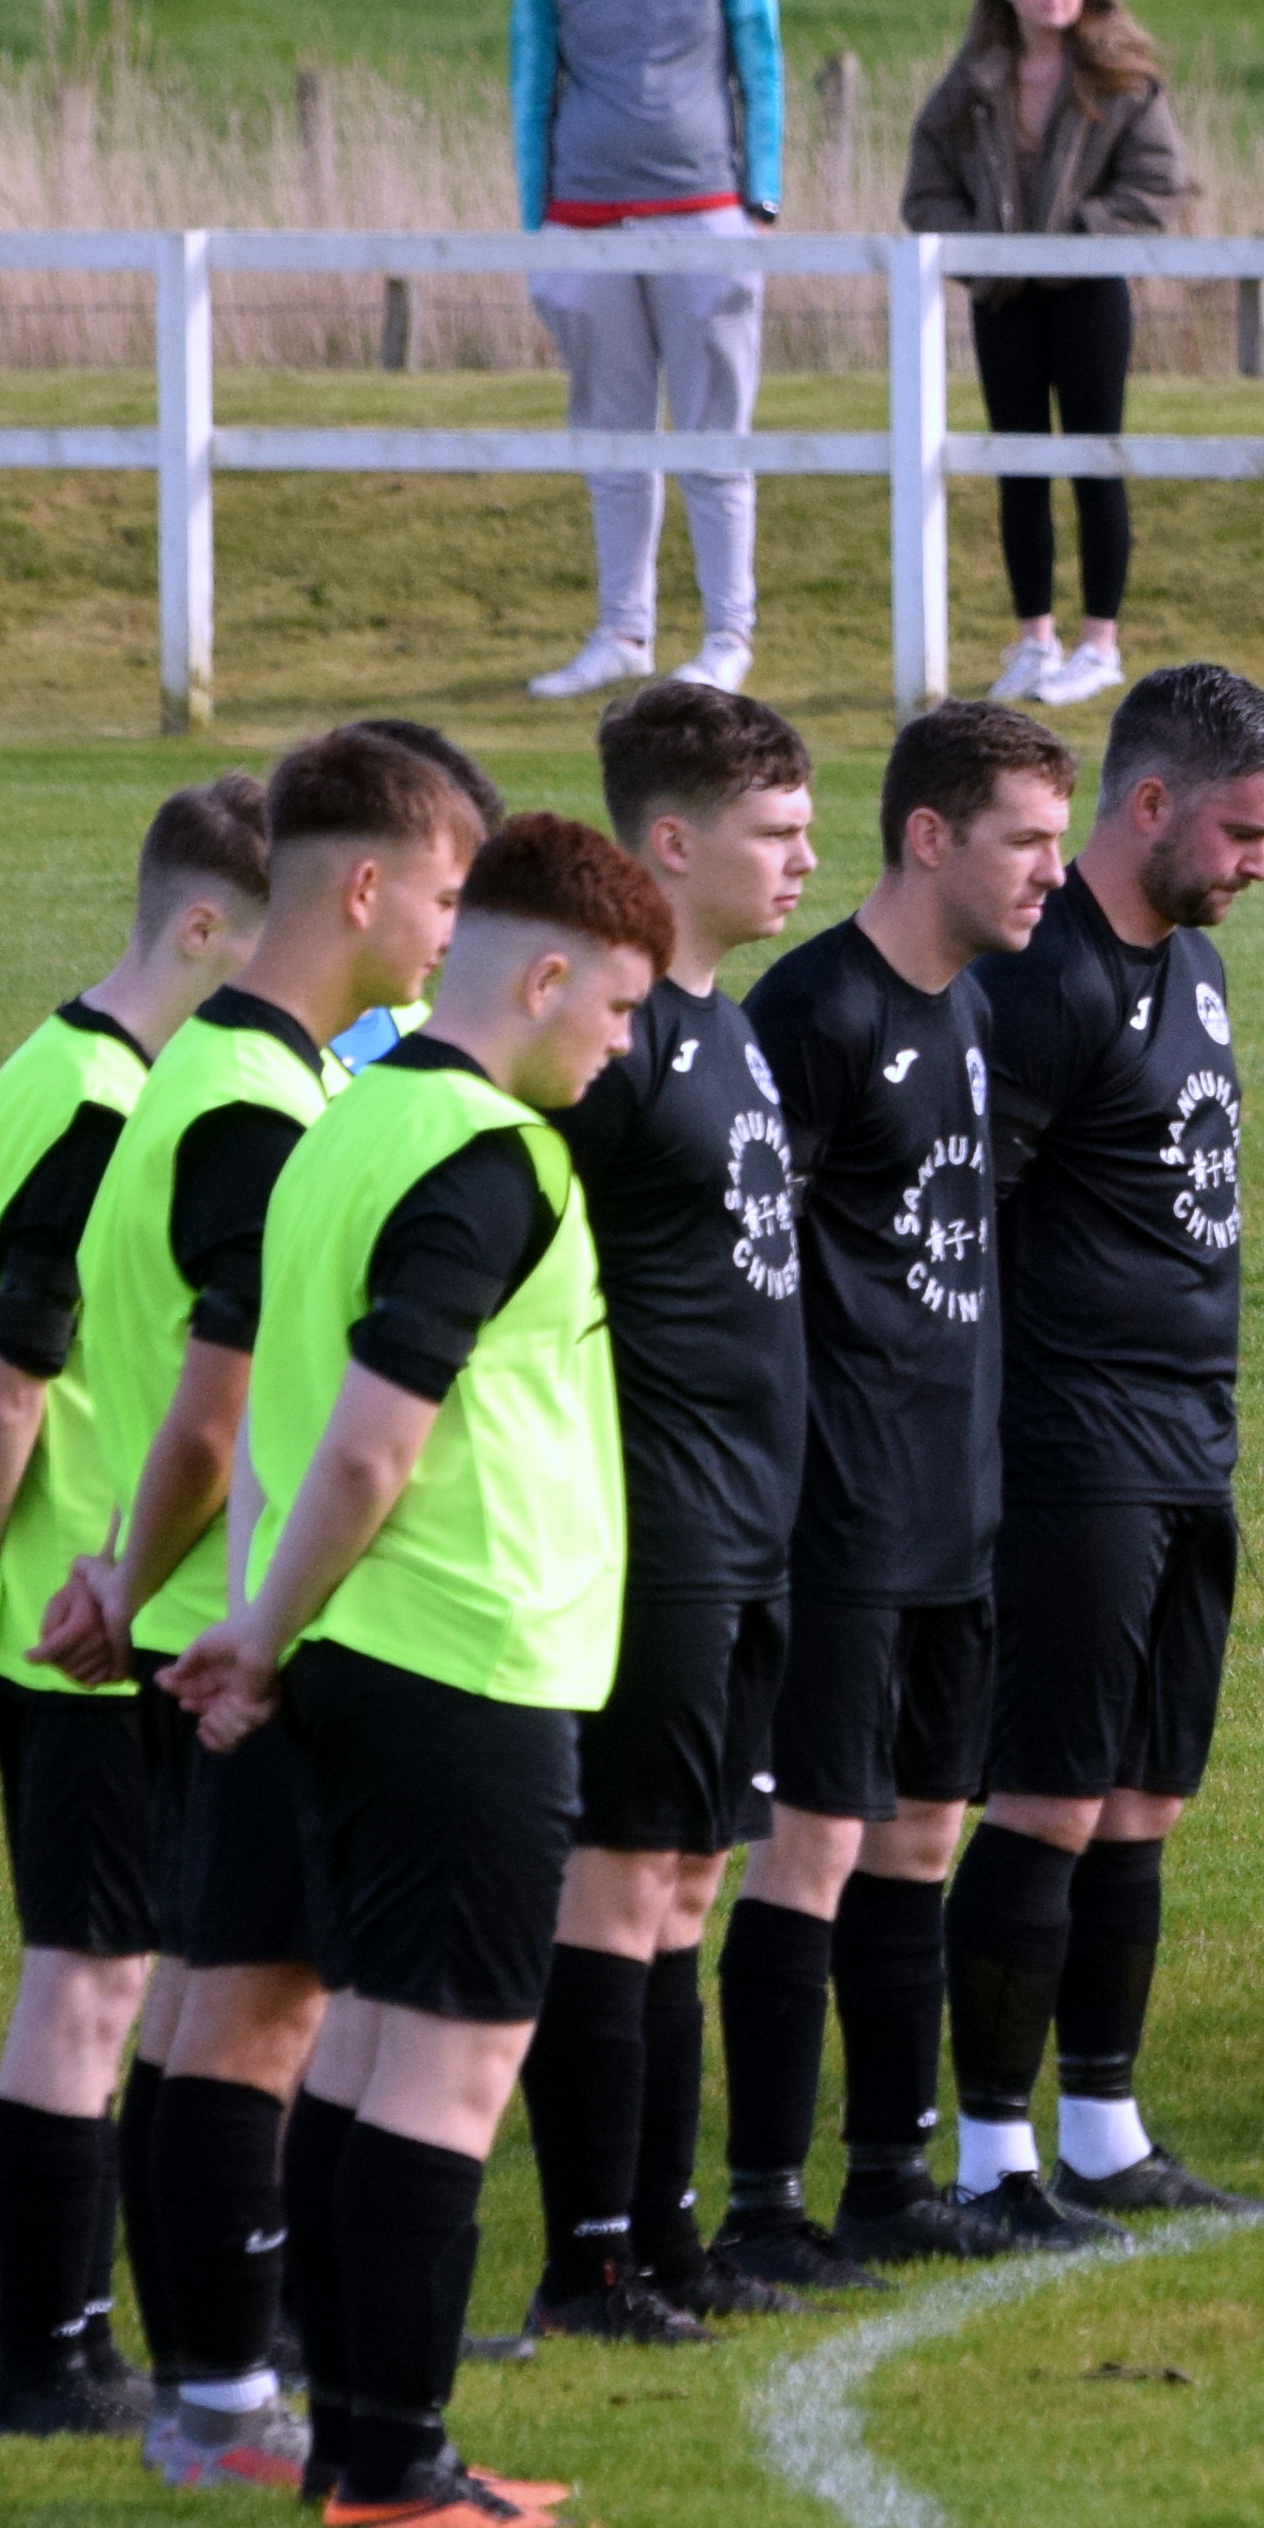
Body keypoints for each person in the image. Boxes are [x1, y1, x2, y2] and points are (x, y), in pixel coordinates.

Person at [167, 815, 672, 2528]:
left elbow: (265, 1412)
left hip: (352, 1661)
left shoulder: (347, 1119)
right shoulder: (490, 1157)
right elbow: (373, 1442)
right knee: (450, 2068)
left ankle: (344, 2439)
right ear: (541, 977)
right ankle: (397, 2457)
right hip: (458, 1655)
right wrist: (254, 1625)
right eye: (611, 1014)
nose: (616, 1053)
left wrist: (262, 1627)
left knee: (369, 2048)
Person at [30, 727, 483, 2495]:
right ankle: (223, 2404)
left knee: (222, 2001)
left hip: (205, 1615)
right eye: (446, 891)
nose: (453, 929)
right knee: (252, 2011)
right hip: (245, 1634)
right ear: (366, 887)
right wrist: (148, 1595)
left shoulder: (226, 1071)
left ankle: (213, 2391)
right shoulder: (258, 1108)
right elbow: (214, 1406)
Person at [947, 668, 1264, 2234]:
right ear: (1148, 804)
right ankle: (986, 2153)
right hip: (1070, 1445)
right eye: (1241, 830)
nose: (1261, 865)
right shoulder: (1048, 981)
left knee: (1146, 1793)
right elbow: (960, 1227)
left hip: (1189, 1439)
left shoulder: (1194, 969)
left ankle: (1102, 2126)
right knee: (1044, 1796)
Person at [0, 777, 267, 2446]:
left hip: (92, 1610)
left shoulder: (51, 1071)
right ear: (202, 929)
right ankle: (45, 2359)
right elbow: (9, 1387)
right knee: (88, 1979)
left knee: (139, 1969)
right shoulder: (102, 1110)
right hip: (82, 1628)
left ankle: (118, 2328)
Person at [718, 705, 1073, 2277]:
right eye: (1024, 841)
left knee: (926, 1834)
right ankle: (761, 2202)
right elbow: (754, 1275)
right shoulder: (811, 1010)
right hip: (841, 1508)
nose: (1051, 876)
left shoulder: (977, 1010)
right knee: (814, 1841)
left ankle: (886, 2175)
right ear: (929, 835)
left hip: (957, 1498)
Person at [499, 683, 819, 2349]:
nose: (804, 863)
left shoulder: (729, 1025)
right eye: (774, 834)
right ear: (670, 840)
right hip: (655, 1528)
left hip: (751, 1528)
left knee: (686, 1886)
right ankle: (591, 2258)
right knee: (617, 1892)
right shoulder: (603, 1056)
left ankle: (669, 2237)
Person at [515, 0, 784, 705]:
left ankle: (726, 637)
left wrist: (761, 200)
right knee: (612, 437)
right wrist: (536, 224)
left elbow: (760, 63)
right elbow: (531, 89)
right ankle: (622, 630)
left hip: (702, 212)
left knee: (716, 433)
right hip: (584, 221)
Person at [903, 0, 1193, 712]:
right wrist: (981, 251)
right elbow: (926, 191)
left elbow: (1159, 184)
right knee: (1019, 468)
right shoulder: (970, 87)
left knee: (1096, 463)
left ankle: (1099, 643)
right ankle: (1034, 639)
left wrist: (1077, 237)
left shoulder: (1123, 81)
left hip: (1091, 295)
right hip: (1002, 301)